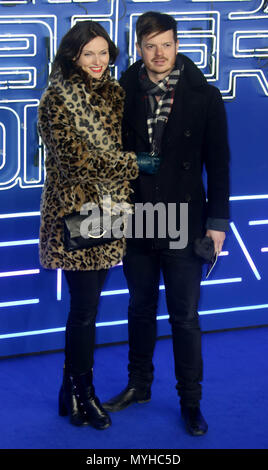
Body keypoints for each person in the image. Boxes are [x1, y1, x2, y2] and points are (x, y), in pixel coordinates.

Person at [103, 11, 230, 436]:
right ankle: (138, 386)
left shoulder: (204, 96)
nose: (159, 53)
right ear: (139, 48)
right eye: (150, 45)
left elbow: (220, 164)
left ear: (177, 46)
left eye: (166, 44)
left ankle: (190, 402)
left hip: (185, 218)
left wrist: (217, 220)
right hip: (137, 217)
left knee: (185, 317)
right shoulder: (119, 95)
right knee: (139, 309)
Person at [37, 21, 140, 430]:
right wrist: (132, 164)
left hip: (109, 210)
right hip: (76, 211)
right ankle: (85, 391)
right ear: (72, 57)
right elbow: (75, 163)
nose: (97, 62)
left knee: (90, 306)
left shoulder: (116, 94)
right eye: (88, 54)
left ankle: (69, 391)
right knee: (84, 311)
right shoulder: (57, 98)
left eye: (103, 53)